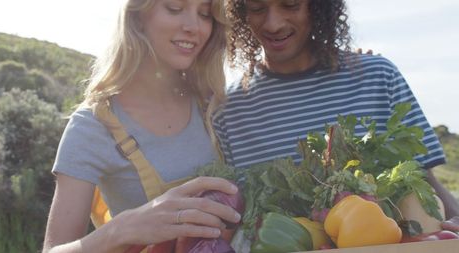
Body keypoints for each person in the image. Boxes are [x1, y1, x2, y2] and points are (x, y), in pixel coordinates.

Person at [213, 0, 459, 229]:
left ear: (317, 7)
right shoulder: (228, 110)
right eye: (257, 8)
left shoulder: (377, 78)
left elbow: (425, 182)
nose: (273, 23)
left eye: (291, 5)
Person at [42, 0, 242, 252]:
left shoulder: (214, 107)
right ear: (137, 17)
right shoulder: (93, 125)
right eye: (174, 8)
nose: (195, 27)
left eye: (204, 14)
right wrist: (122, 228)